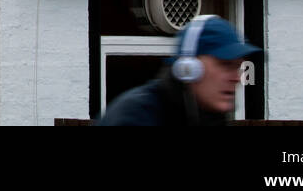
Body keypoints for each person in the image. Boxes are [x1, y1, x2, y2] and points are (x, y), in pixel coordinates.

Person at [97, 14, 260, 126]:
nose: (236, 78)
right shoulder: (135, 115)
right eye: (225, 64)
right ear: (188, 68)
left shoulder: (207, 117)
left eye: (237, 67)